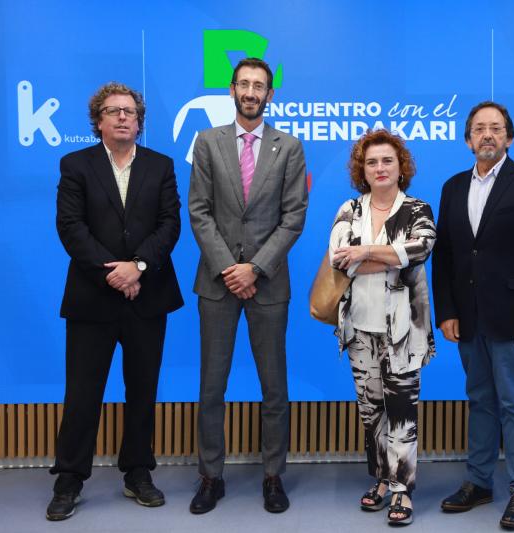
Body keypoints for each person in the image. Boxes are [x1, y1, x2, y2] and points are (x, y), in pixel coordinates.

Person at [48, 82, 183, 521]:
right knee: (83, 393)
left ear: (139, 121)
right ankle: (69, 478)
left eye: (130, 111)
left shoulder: (161, 166)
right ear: (98, 121)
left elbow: (169, 225)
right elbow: (71, 228)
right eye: (114, 111)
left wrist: (139, 266)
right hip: (93, 297)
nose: (123, 117)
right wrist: (115, 271)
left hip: (148, 294)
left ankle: (138, 473)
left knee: (142, 392)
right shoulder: (75, 165)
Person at [188, 57, 308, 514]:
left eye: (260, 86)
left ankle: (273, 476)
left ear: (270, 94)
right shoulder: (207, 142)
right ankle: (210, 476)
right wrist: (228, 268)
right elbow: (199, 211)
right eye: (244, 84)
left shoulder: (289, 147)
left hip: (268, 284)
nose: (251, 92)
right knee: (211, 387)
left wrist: (254, 268)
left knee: (274, 388)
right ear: (232, 90)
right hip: (217, 284)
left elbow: (294, 216)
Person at [432, 102, 514, 530]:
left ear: (509, 137)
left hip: (512, 317)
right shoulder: (451, 187)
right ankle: (479, 481)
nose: (487, 135)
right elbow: (445, 257)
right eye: (479, 129)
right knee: (480, 401)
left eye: (496, 128)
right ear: (468, 139)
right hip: (466, 319)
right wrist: (446, 311)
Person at [329, 130, 436, 526]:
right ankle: (380, 480)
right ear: (363, 168)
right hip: (358, 329)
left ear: (400, 166)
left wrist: (367, 252)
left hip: (405, 332)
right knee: (372, 412)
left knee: (402, 414)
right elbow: (340, 260)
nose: (379, 168)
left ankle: (402, 490)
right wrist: (391, 256)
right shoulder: (349, 209)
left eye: (387, 160)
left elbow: (421, 248)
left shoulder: (417, 209)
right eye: (371, 162)